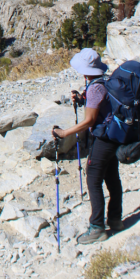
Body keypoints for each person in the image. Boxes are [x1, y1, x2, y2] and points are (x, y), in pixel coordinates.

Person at [51, 47, 122, 245]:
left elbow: (90, 120)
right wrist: (83, 99)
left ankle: (97, 227)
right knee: (111, 177)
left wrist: (65, 133)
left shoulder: (95, 87)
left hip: (103, 139)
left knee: (93, 178)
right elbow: (98, 107)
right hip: (112, 135)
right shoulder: (101, 82)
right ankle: (115, 220)